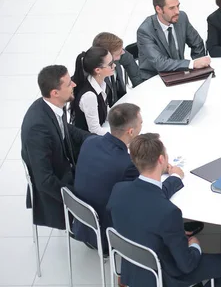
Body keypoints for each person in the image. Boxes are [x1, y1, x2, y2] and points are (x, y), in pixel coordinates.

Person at [108, 133, 221, 287]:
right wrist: (195, 246)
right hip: (166, 275)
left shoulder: (118, 189)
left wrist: (175, 178)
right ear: (161, 159)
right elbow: (187, 264)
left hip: (133, 267)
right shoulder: (169, 212)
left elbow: (148, 200)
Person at [72, 103, 184, 252]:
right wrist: (175, 176)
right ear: (131, 132)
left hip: (83, 221)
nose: (142, 127)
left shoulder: (90, 142)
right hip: (107, 232)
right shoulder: (126, 165)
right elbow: (151, 199)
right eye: (141, 124)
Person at [21, 65, 92, 230]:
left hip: (66, 168)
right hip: (58, 185)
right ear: (55, 93)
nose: (74, 84)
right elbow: (45, 181)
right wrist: (76, 198)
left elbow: (66, 128)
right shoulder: (37, 129)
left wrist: (94, 140)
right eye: (69, 84)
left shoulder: (53, 106)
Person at [137, 0, 211, 81]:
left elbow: (197, 43)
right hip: (155, 78)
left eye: (178, 6)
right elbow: (160, 63)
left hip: (179, 72)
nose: (177, 11)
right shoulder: (145, 31)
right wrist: (192, 64)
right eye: (172, 8)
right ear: (159, 9)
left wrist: (199, 69)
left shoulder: (181, 18)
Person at [70, 46, 115, 135]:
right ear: (98, 70)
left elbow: (104, 111)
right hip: (88, 141)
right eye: (110, 64)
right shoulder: (89, 96)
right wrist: (120, 134)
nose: (114, 65)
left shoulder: (101, 83)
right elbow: (94, 130)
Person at [92, 32, 142, 105]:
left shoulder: (118, 54)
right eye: (118, 53)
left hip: (121, 100)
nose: (123, 53)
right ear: (108, 57)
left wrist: (139, 88)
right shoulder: (95, 77)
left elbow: (129, 60)